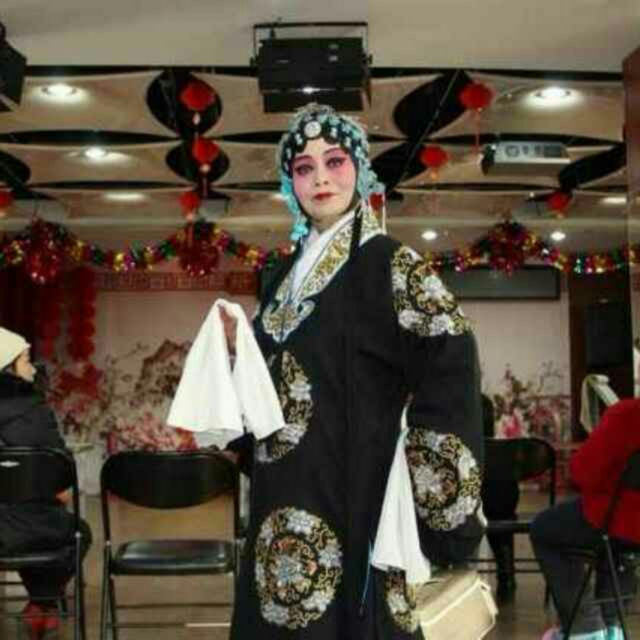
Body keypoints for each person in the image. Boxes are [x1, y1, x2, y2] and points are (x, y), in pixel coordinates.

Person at [220, 104, 485, 639]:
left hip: (358, 484)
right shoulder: (280, 275)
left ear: (360, 169)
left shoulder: (390, 263)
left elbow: (451, 358)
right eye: (304, 168)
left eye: (335, 161)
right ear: (289, 183)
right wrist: (237, 351)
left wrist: (417, 466)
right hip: (282, 487)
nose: (320, 178)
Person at [0, 327, 92, 639]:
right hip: (33, 524)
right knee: (76, 532)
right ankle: (43, 603)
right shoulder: (34, 412)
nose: (32, 367)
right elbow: (62, 485)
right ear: (8, 368)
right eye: (26, 360)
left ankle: (41, 605)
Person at [531, 398, 640, 640]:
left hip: (622, 521)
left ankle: (586, 629)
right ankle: (612, 627)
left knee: (545, 529)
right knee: (620, 549)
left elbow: (582, 473)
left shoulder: (628, 413)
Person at [480, 393, 519, 602]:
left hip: (466, 512)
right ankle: (506, 573)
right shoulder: (504, 452)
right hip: (502, 512)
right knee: (500, 507)